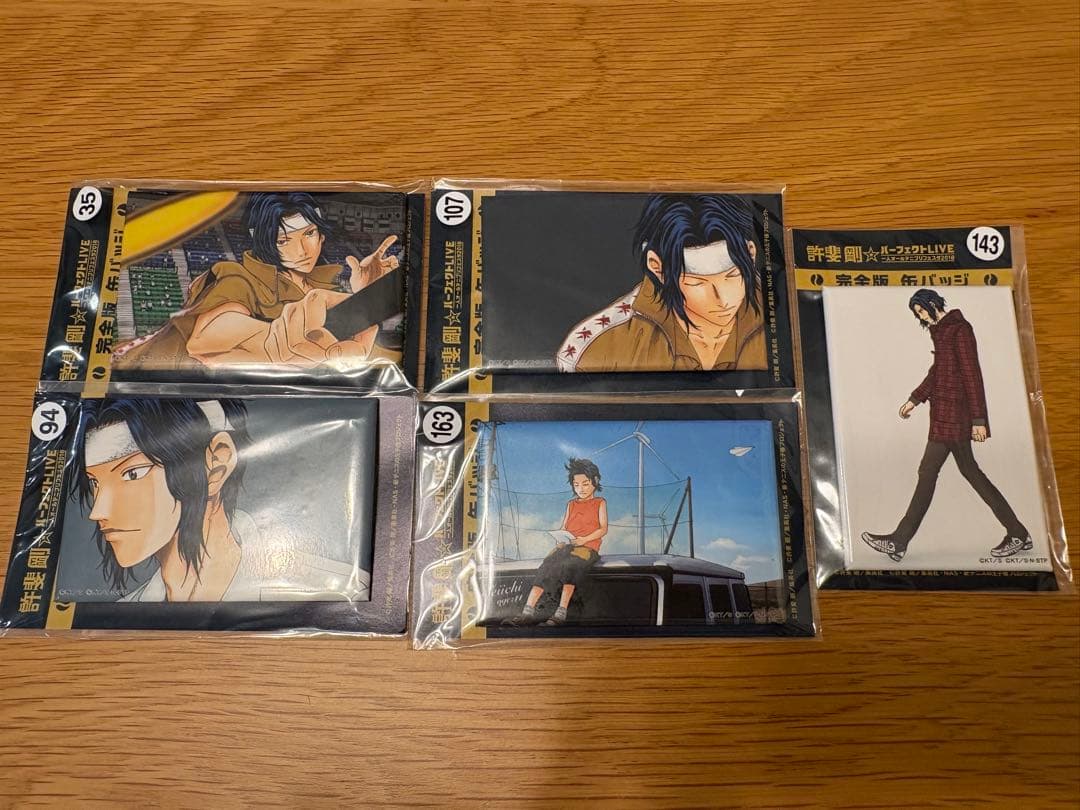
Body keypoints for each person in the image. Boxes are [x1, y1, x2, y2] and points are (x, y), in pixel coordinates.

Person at [74, 397, 358, 602]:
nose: (98, 511)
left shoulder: (336, 592)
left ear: (216, 465)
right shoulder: (122, 617)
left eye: (132, 473)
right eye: (95, 483)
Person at [112, 191, 399, 372]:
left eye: (309, 234)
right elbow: (206, 336)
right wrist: (276, 339)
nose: (302, 250)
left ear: (321, 234)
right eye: (283, 240)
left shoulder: (326, 287)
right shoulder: (240, 277)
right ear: (265, 242)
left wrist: (367, 295)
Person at [861, 289, 1031, 562]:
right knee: (965, 472)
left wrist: (978, 421)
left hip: (956, 417)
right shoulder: (941, 332)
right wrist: (915, 399)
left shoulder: (960, 330)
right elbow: (938, 371)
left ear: (932, 303)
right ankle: (1018, 532)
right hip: (943, 415)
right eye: (917, 314)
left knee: (932, 472)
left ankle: (899, 541)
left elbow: (972, 374)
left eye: (921, 311)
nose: (921, 317)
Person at [556, 194, 766, 373]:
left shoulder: (779, 319)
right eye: (697, 283)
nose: (723, 298)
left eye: (732, 275)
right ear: (658, 268)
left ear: (750, 253)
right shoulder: (596, 349)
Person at [507, 458, 608, 626]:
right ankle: (527, 611)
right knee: (546, 567)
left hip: (587, 547)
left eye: (585, 484)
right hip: (568, 545)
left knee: (570, 568)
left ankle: (561, 612)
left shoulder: (600, 502)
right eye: (576, 485)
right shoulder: (571, 504)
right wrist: (560, 540)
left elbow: (603, 529)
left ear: (595, 481)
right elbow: (564, 526)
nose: (581, 489)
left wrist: (584, 539)